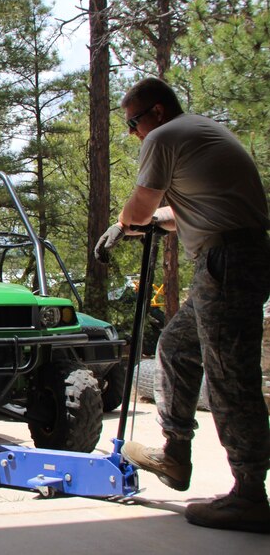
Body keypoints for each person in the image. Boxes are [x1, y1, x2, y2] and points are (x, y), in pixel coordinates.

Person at [95, 77, 270, 534]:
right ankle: (175, 454)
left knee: (232, 376)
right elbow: (176, 213)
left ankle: (250, 494)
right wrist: (147, 220)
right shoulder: (199, 132)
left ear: (154, 112)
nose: (133, 133)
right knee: (175, 346)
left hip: (227, 261)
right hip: (236, 256)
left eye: (132, 123)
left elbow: (140, 206)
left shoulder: (164, 137)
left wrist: (127, 222)